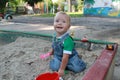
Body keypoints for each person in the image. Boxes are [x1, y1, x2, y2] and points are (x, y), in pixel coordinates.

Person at [40, 11, 86, 77]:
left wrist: (61, 69)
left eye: (63, 22)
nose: (59, 23)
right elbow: (54, 45)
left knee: (78, 68)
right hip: (58, 57)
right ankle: (65, 66)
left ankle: (76, 61)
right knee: (54, 67)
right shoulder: (54, 35)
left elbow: (65, 57)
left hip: (70, 57)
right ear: (53, 23)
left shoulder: (68, 40)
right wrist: (51, 52)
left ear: (68, 26)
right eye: (57, 21)